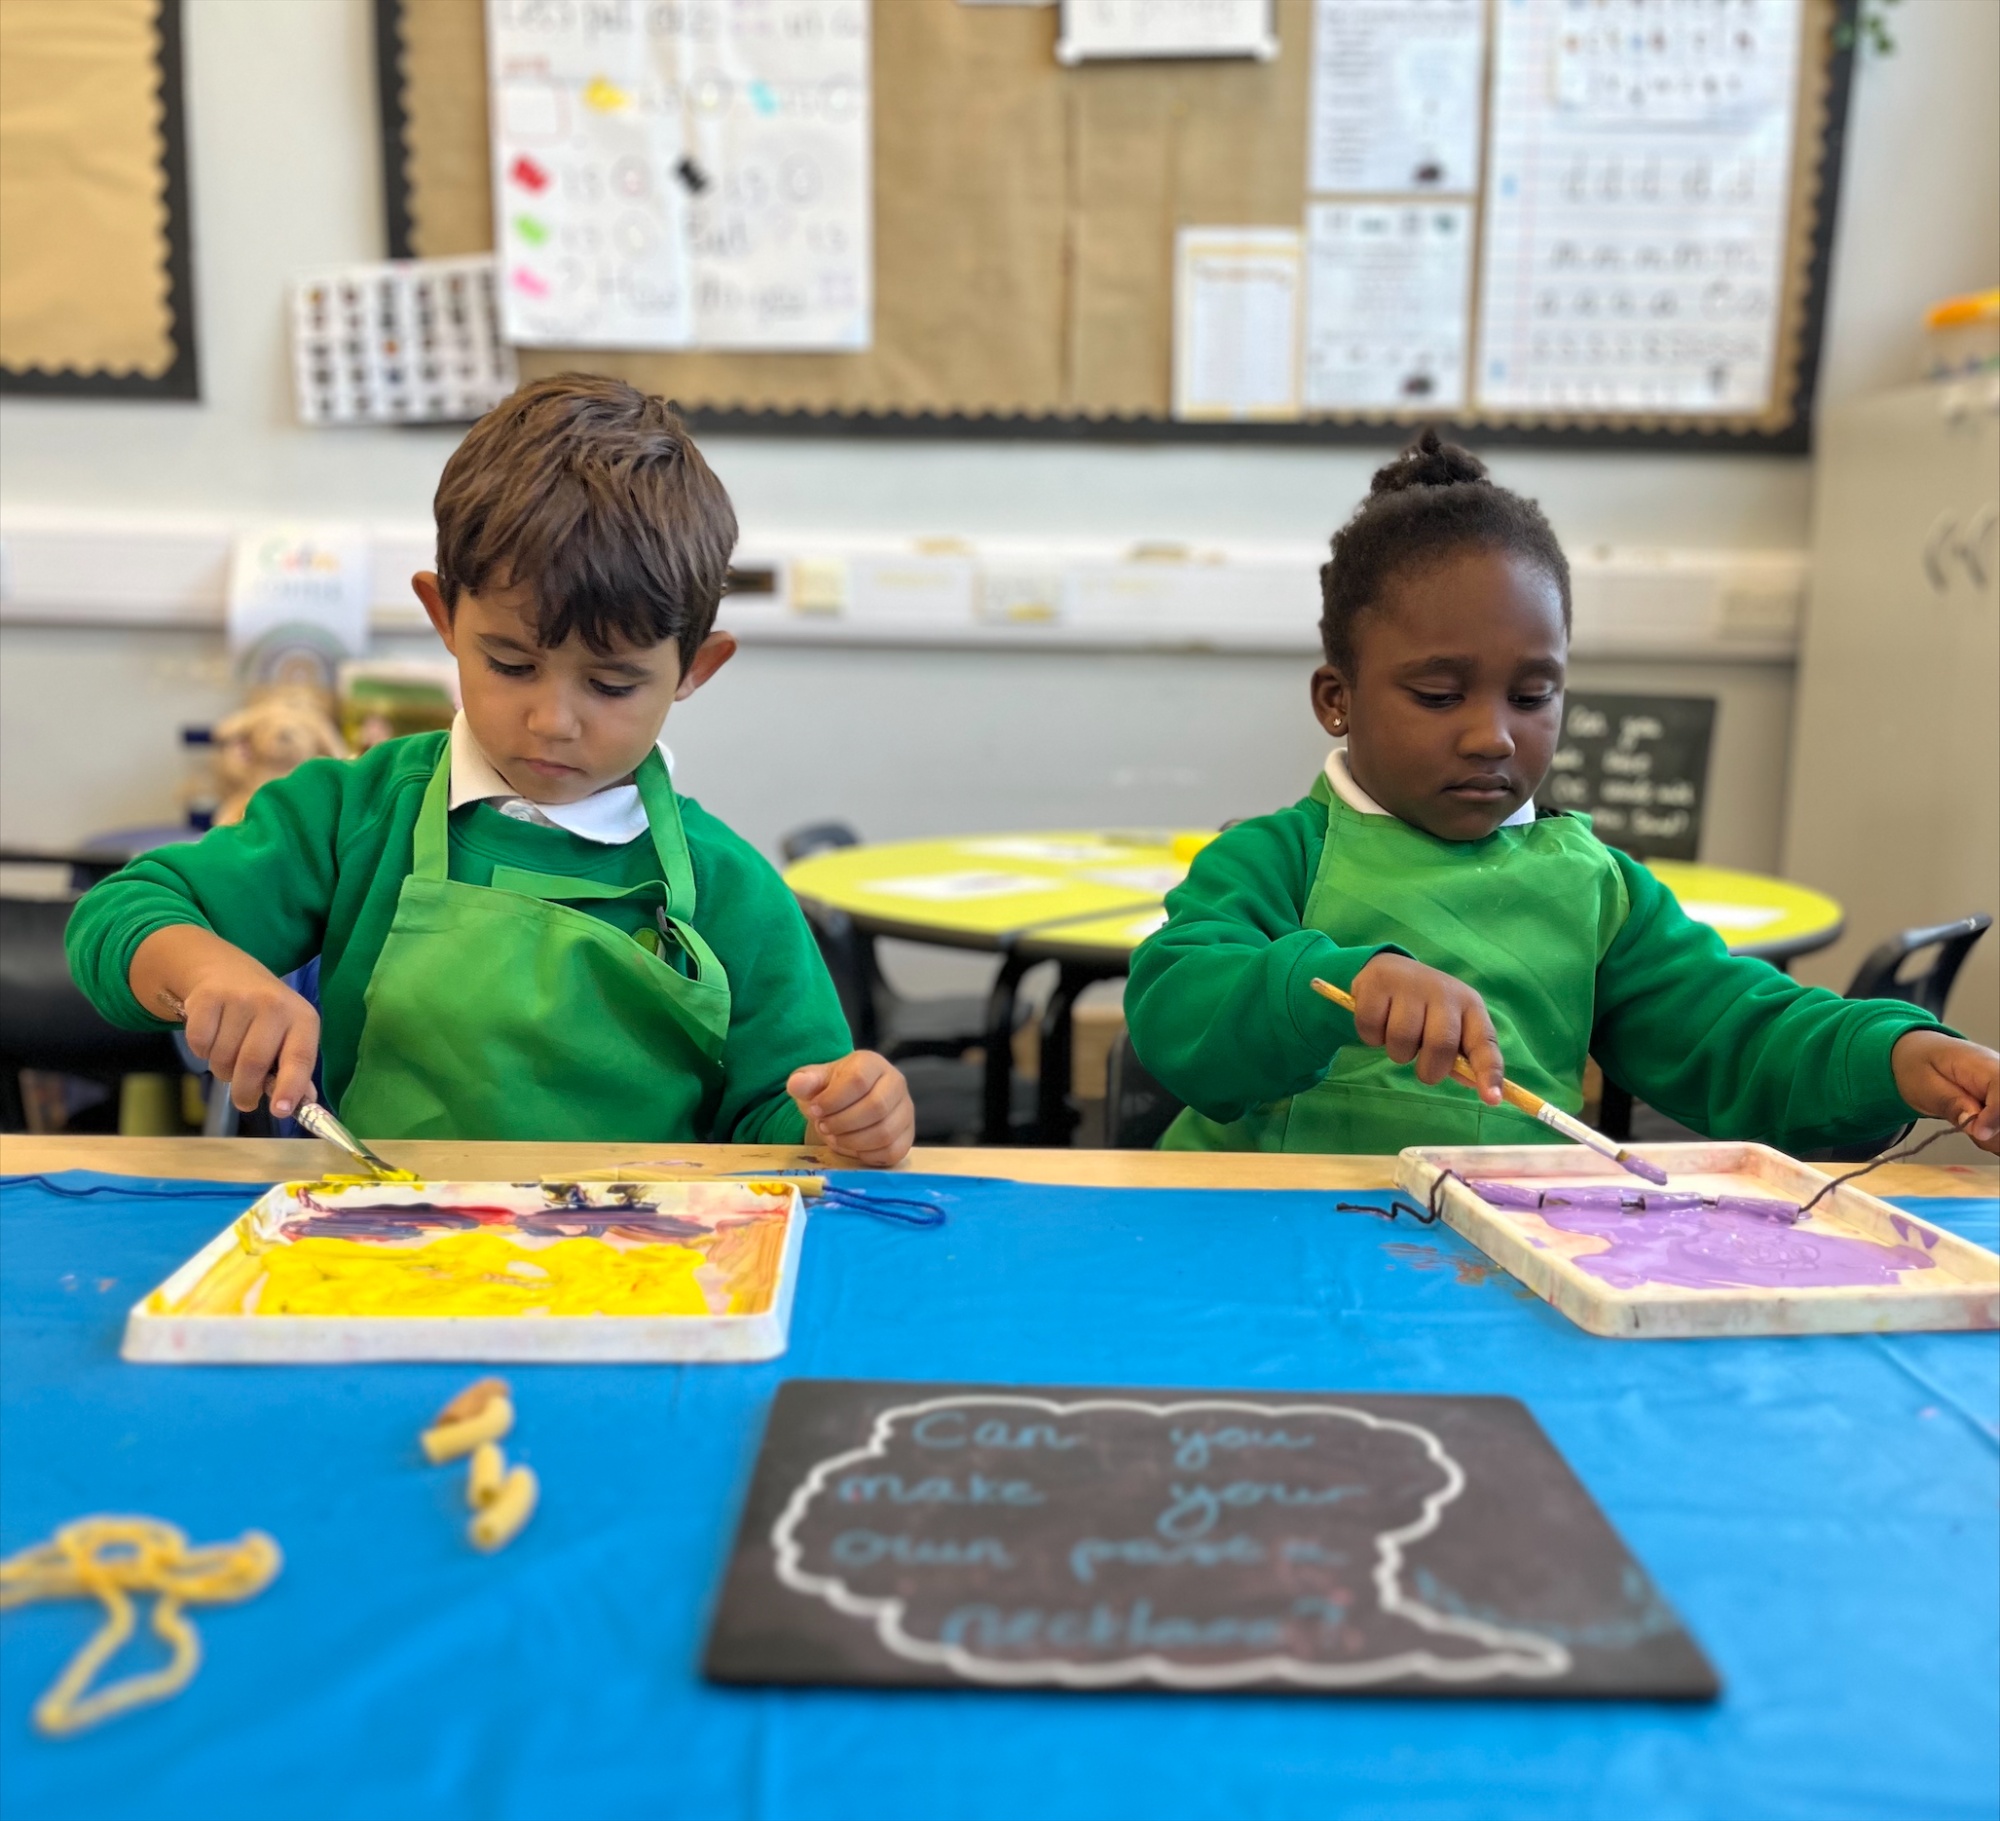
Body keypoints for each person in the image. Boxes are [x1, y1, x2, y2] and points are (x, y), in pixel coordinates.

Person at [67, 375, 915, 1163]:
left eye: (611, 684)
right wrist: (205, 969)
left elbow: (781, 1120)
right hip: (390, 1243)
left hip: (639, 1254)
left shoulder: (730, 890)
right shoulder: (360, 815)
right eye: (510, 664)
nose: (552, 720)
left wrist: (842, 1120)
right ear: (443, 616)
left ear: (695, 667)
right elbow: (117, 916)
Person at [1125, 431, 2000, 1157]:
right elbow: (1178, 1006)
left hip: (1489, 1251)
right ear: (1337, 699)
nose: (1493, 735)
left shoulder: (1594, 887)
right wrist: (1334, 983)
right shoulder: (1273, 858)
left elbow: (1739, 1033)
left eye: (1532, 695)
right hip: (1265, 1242)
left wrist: (1899, 1055)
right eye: (1439, 694)